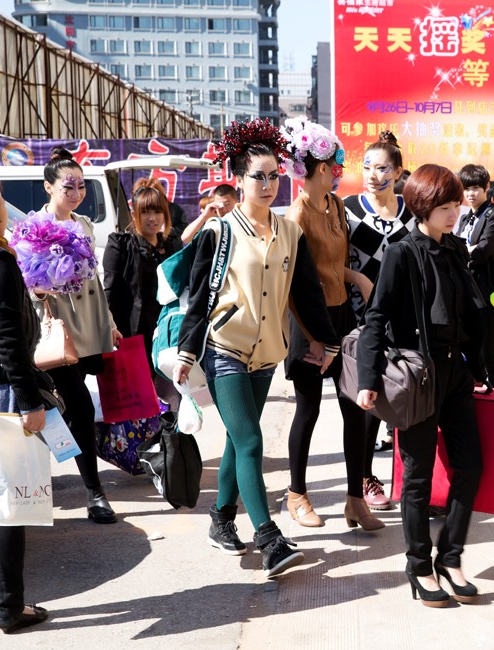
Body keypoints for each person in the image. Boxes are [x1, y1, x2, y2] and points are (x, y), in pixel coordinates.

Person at [173, 118, 339, 578]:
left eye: (273, 176)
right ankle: (269, 538)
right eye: (257, 177)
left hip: (267, 352)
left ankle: (221, 519)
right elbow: (199, 297)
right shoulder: (219, 232)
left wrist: (326, 340)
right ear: (239, 179)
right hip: (224, 347)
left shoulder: (290, 233)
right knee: (250, 439)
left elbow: (306, 293)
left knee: (237, 438)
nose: (267, 185)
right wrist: (187, 351)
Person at [356, 164, 488, 608]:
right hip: (418, 378)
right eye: (445, 207)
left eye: (456, 205)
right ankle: (418, 565)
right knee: (417, 476)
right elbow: (376, 317)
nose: (454, 214)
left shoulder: (455, 248)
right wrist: (369, 379)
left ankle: (450, 556)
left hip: (456, 376)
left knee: (471, 466)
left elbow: (469, 315)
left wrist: (479, 369)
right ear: (423, 206)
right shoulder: (402, 252)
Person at [279, 118, 385, 529]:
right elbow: (293, 282)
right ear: (321, 167)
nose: (339, 171)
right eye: (336, 165)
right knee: (308, 410)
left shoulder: (336, 206)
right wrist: (313, 337)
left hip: (341, 315)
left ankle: (355, 499)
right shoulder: (296, 215)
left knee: (354, 408)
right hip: (309, 322)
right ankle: (297, 494)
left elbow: (331, 265)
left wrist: (357, 278)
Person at [36, 148, 123, 524]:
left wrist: (110, 322)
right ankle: (94, 492)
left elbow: (95, 282)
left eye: (81, 186)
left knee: (74, 409)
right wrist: (40, 290)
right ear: (49, 187)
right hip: (59, 330)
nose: (76, 193)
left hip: (91, 325)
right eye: (68, 187)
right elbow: (30, 286)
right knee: (80, 407)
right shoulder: (36, 228)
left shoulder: (85, 224)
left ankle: (55, 468)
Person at [0, 176, 49, 634]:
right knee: (9, 503)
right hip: (0, 396)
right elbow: (7, 339)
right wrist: (30, 400)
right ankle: (10, 607)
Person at [343, 131, 412, 504]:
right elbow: (328, 262)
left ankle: (409, 480)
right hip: (361, 320)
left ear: (398, 172)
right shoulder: (347, 209)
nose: (372, 175)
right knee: (368, 398)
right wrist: (357, 278)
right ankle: (366, 478)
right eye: (367, 166)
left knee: (405, 397)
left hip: (404, 321)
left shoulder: (411, 210)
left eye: (382, 168)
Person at [103, 178, 183, 407]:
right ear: (134, 214)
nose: (152, 218)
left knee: (172, 400)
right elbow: (109, 290)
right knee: (138, 402)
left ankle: (170, 431)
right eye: (145, 212)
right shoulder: (120, 244)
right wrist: (109, 327)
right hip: (131, 333)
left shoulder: (171, 245)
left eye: (158, 212)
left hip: (165, 333)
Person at [455, 164, 494, 388]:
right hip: (465, 291)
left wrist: (463, 252)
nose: (470, 194)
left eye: (475, 188)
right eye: (466, 189)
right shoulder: (465, 218)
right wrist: (467, 250)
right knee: (468, 350)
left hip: (485, 291)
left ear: (486, 188)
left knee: (489, 351)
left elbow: (483, 251)